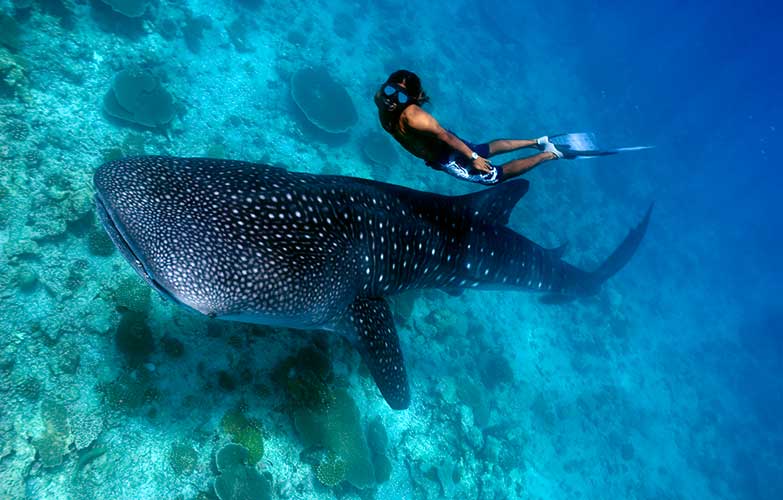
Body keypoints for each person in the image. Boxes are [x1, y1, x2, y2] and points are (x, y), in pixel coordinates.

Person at [374, 70, 567, 186]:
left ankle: (549, 154)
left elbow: (446, 137)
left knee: (494, 177)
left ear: (412, 99)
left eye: (401, 96)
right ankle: (537, 142)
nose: (391, 99)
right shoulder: (379, 98)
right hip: (439, 151)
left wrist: (472, 159)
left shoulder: (415, 119)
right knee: (484, 149)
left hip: (448, 154)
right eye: (390, 90)